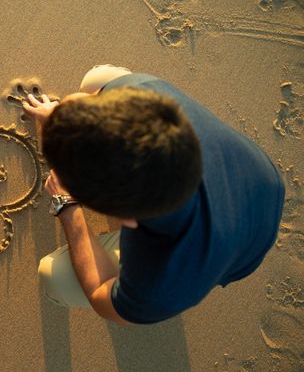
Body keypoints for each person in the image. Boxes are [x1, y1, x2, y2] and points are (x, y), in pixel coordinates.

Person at [23, 65, 284, 325]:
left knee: (54, 277)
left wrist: (67, 206)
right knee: (98, 80)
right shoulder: (143, 89)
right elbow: (82, 101)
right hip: (257, 190)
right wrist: (63, 123)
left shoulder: (162, 283)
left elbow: (101, 295)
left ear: (126, 218)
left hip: (234, 250)